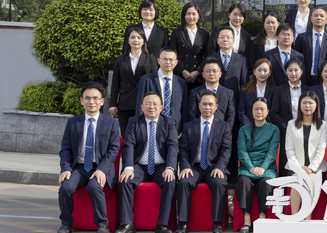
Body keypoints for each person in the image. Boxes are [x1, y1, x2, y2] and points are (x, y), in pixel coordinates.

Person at [58, 83, 121, 233]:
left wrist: (102, 170)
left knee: (94, 187)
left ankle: (103, 225)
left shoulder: (111, 123)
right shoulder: (73, 122)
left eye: (95, 98)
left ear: (102, 101)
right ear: (82, 101)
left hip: (100, 168)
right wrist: (66, 168)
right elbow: (65, 149)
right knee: (65, 188)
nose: (91, 102)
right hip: (78, 168)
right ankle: (66, 224)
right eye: (87, 98)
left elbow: (113, 149)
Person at [117, 92, 177, 233]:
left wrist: (170, 167)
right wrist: (128, 167)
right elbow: (128, 144)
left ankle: (162, 224)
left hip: (161, 166)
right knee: (125, 180)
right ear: (141, 107)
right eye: (148, 104)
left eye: (155, 104)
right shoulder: (134, 122)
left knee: (170, 181)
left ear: (161, 107)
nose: (151, 107)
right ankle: (127, 224)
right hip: (139, 166)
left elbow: (173, 146)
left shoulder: (169, 123)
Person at [176, 91, 231, 233]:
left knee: (218, 182)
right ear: (199, 105)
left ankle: (217, 224)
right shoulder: (189, 126)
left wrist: (220, 167)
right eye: (204, 104)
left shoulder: (224, 126)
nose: (207, 107)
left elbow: (226, 150)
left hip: (214, 167)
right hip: (194, 167)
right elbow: (183, 150)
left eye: (210, 104)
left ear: (216, 106)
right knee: (183, 182)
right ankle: (183, 224)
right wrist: (185, 166)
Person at [235, 97, 279, 233]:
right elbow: (242, 151)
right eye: (256, 109)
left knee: (265, 183)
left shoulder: (274, 129)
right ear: (252, 111)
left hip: (267, 168)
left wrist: (263, 168)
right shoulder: (244, 129)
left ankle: (262, 217)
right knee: (243, 182)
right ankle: (247, 219)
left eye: (262, 109)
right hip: (248, 168)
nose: (259, 112)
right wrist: (251, 168)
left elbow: (272, 152)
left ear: (267, 111)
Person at [284, 92, 327, 219]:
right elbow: (289, 149)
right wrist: (299, 168)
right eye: (304, 102)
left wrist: (311, 168)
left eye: (310, 103)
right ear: (299, 105)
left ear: (316, 105)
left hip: (316, 168)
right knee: (297, 180)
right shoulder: (291, 124)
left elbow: (321, 149)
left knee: (310, 181)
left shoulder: (322, 125)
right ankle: (295, 218)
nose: (307, 106)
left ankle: (308, 220)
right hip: (295, 167)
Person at [111, 27, 158, 132]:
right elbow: (115, 83)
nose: (135, 40)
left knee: (143, 133)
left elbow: (155, 83)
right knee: (126, 133)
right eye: (132, 37)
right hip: (125, 102)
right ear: (128, 41)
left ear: (143, 41)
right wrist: (113, 104)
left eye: (139, 37)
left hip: (144, 102)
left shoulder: (151, 59)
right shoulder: (120, 60)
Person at [268, 58, 305, 174]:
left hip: (305, 132)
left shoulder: (308, 90)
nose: (293, 73)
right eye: (290, 70)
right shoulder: (279, 90)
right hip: (286, 133)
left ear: (301, 71)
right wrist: (288, 127)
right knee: (286, 164)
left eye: (296, 70)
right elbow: (274, 113)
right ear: (286, 72)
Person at [135, 48, 187, 125]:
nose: (168, 62)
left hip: (175, 127)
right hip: (152, 126)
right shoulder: (146, 80)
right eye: (165, 59)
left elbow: (184, 109)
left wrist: (183, 128)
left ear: (176, 62)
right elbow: (140, 107)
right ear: (158, 60)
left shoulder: (181, 83)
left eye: (171, 59)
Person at [185, 59, 235, 130]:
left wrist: (225, 131)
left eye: (214, 71)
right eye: (208, 71)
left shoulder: (228, 93)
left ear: (220, 74)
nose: (211, 74)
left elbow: (231, 115)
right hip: (200, 131)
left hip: (222, 131)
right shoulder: (194, 92)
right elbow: (192, 114)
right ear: (203, 74)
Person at [295, 7, 327, 87]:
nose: (319, 18)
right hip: (305, 79)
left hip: (324, 79)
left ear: (326, 19)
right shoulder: (302, 37)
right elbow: (296, 57)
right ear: (311, 19)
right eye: (316, 15)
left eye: (321, 16)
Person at [170, 3, 209, 86]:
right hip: (180, 75)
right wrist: (183, 71)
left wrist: (198, 71)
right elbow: (173, 54)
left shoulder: (204, 34)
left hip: (198, 77)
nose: (191, 17)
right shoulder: (177, 33)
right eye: (188, 14)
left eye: (194, 14)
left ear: (199, 16)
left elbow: (207, 55)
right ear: (184, 16)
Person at [264, 24, 304, 89]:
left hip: (294, 90)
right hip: (274, 91)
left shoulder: (299, 56)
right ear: (277, 37)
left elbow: (302, 77)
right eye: (283, 34)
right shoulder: (268, 55)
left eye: (289, 34)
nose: (286, 37)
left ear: (293, 38)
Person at [213, 25, 249, 91]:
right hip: (215, 96)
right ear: (217, 40)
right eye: (222, 37)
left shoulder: (241, 60)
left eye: (228, 37)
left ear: (233, 41)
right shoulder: (210, 59)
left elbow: (244, 83)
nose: (225, 40)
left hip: (235, 96)